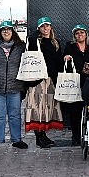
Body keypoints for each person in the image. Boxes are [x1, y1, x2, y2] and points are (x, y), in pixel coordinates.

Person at [0, 21, 28, 152]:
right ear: (0, 31)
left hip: (15, 86)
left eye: (9, 29)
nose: (6, 31)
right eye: (3, 29)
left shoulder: (20, 46)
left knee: (15, 114)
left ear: (13, 31)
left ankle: (17, 139)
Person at [24, 16, 63, 148]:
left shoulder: (55, 42)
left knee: (47, 108)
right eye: (42, 26)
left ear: (51, 27)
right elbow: (30, 41)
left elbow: (58, 62)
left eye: (47, 26)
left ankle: (44, 135)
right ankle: (38, 138)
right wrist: (36, 33)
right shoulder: (35, 41)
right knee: (37, 108)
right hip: (37, 80)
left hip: (50, 79)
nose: (45, 28)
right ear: (39, 29)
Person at [63, 24, 89, 146]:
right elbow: (65, 57)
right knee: (75, 110)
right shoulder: (70, 46)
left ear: (86, 35)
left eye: (82, 33)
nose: (79, 35)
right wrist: (66, 57)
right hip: (75, 82)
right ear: (74, 36)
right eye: (77, 33)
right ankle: (76, 136)